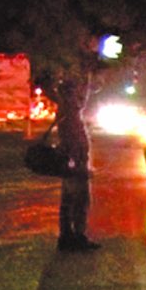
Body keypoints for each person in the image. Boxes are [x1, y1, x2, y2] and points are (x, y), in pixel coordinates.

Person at [56, 75, 100, 252]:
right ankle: (77, 237)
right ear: (70, 94)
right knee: (79, 201)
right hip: (75, 165)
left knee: (69, 201)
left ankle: (67, 236)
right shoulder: (69, 114)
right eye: (75, 93)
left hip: (72, 164)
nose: (79, 97)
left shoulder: (67, 111)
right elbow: (72, 142)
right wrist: (78, 164)